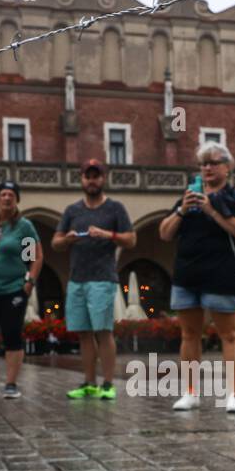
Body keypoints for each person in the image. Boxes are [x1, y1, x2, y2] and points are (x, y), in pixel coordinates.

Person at [158, 141, 235, 414]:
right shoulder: (188, 197)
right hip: (188, 274)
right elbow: (165, 233)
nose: (207, 168)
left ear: (227, 167)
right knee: (189, 334)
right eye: (203, 164)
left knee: (230, 334)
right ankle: (190, 393)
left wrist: (213, 210)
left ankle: (233, 394)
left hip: (223, 275)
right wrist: (182, 210)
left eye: (213, 163)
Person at [52, 159, 135, 400]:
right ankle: (89, 382)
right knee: (84, 333)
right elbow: (55, 243)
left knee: (103, 330)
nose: (92, 180)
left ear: (103, 179)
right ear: (81, 179)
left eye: (96, 176)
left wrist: (107, 234)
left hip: (102, 278)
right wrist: (67, 239)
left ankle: (108, 383)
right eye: (87, 176)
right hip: (77, 278)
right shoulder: (72, 211)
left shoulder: (115, 208)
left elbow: (131, 240)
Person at [0, 180, 42, 399]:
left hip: (14, 289)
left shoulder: (23, 227)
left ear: (17, 201)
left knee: (11, 334)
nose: (7, 198)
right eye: (3, 194)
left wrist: (29, 283)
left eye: (11, 195)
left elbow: (33, 258)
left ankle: (11, 384)